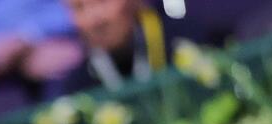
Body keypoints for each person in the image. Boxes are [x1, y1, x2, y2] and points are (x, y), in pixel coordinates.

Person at [57, 0, 225, 95]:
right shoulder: (77, 86)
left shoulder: (189, 41)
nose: (95, 20)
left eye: (102, 2)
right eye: (79, 8)